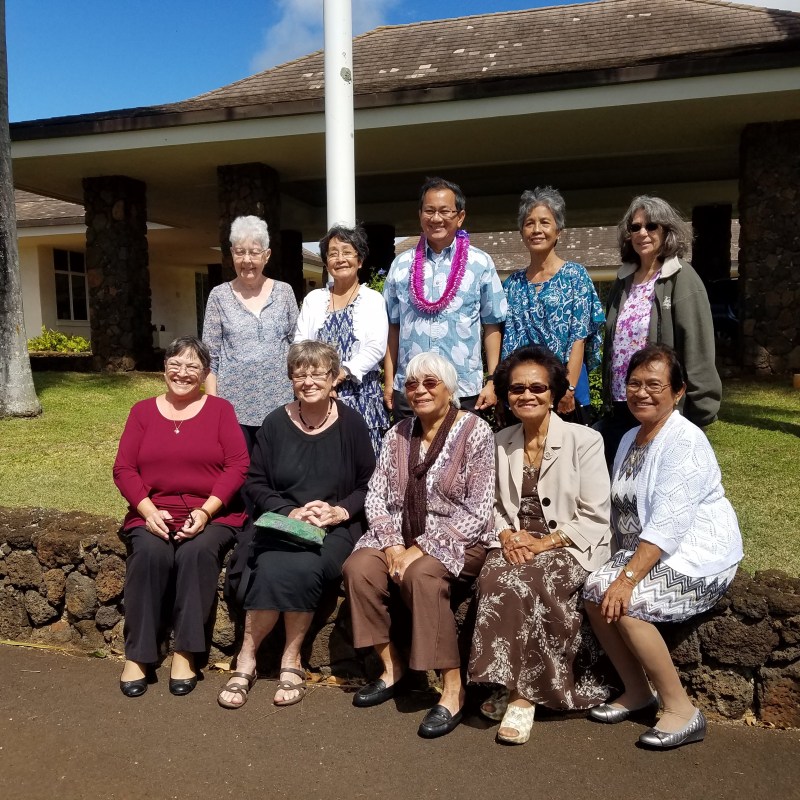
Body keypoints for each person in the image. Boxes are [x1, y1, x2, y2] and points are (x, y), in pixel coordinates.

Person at [583, 344, 742, 749]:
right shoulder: (629, 438)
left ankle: (682, 711)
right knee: (593, 592)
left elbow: (669, 525)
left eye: (654, 385)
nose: (641, 393)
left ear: (678, 391)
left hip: (696, 553)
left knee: (628, 603)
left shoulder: (685, 441)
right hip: (648, 551)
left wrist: (627, 579)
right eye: (634, 384)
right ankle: (637, 691)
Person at [343, 352, 495, 739]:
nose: (420, 390)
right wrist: (394, 545)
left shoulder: (475, 431)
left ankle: (453, 687)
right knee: (359, 569)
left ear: (450, 389)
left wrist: (420, 548)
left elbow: (478, 510)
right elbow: (375, 497)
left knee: (421, 576)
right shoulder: (397, 433)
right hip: (398, 535)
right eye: (412, 384)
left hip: (458, 538)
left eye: (430, 383)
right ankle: (391, 666)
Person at [468, 345, 613, 745]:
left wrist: (540, 544)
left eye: (537, 387)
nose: (527, 395)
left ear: (553, 393)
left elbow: (595, 514)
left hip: (570, 543)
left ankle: (522, 698)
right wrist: (505, 535)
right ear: (506, 395)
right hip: (514, 541)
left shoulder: (585, 440)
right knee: (494, 578)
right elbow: (491, 504)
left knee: (528, 581)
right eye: (517, 389)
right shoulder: (500, 441)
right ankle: (506, 681)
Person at [217, 341, 375, 710]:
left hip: (334, 528)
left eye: (317, 373)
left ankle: (291, 658)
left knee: (305, 565)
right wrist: (289, 511)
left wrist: (338, 512)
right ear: (291, 379)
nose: (308, 381)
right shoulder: (274, 423)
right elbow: (255, 483)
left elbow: (369, 484)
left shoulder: (352, 424)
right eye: (300, 374)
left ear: (333, 378)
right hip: (280, 523)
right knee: (269, 561)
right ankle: (247, 657)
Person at [113, 336, 249, 698]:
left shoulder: (220, 410)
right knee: (148, 554)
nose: (182, 372)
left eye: (192, 366)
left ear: (204, 374)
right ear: (164, 369)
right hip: (153, 511)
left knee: (196, 554)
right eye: (175, 364)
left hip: (212, 513)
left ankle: (186, 652)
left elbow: (238, 464)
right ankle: (138, 654)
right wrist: (146, 509)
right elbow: (124, 468)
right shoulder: (142, 412)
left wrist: (206, 510)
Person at [599, 196, 721, 467]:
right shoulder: (623, 281)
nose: (642, 233)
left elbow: (697, 347)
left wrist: (701, 411)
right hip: (622, 403)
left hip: (661, 406)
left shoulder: (682, 277)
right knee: (618, 483)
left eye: (651, 226)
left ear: (667, 231)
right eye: (635, 227)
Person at [383, 176, 507, 419]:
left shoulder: (480, 263)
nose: (436, 218)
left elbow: (492, 323)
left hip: (463, 388)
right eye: (429, 211)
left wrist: (492, 380)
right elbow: (392, 325)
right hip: (411, 389)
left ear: (460, 217)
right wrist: (389, 382)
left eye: (444, 211)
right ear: (420, 215)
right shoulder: (401, 265)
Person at [501, 188, 604, 424]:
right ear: (522, 232)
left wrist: (569, 388)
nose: (536, 230)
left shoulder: (575, 276)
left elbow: (579, 337)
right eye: (529, 223)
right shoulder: (512, 284)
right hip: (523, 394)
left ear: (558, 230)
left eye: (544, 222)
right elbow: (507, 345)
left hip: (565, 392)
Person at [203, 215, 299, 453]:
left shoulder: (284, 292)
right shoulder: (218, 296)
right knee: (239, 468)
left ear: (266, 255)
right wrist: (214, 407)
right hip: (233, 408)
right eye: (240, 252)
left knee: (279, 467)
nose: (247, 260)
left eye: (254, 252)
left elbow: (297, 347)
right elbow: (210, 358)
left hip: (280, 403)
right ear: (231, 254)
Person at [294, 224, 389, 455]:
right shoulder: (314, 299)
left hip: (361, 395)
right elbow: (300, 345)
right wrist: (320, 381)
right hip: (318, 395)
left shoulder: (373, 299)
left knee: (362, 463)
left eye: (347, 252)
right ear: (326, 262)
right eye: (333, 253)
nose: (340, 259)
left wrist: (340, 375)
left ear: (360, 260)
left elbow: (376, 347)